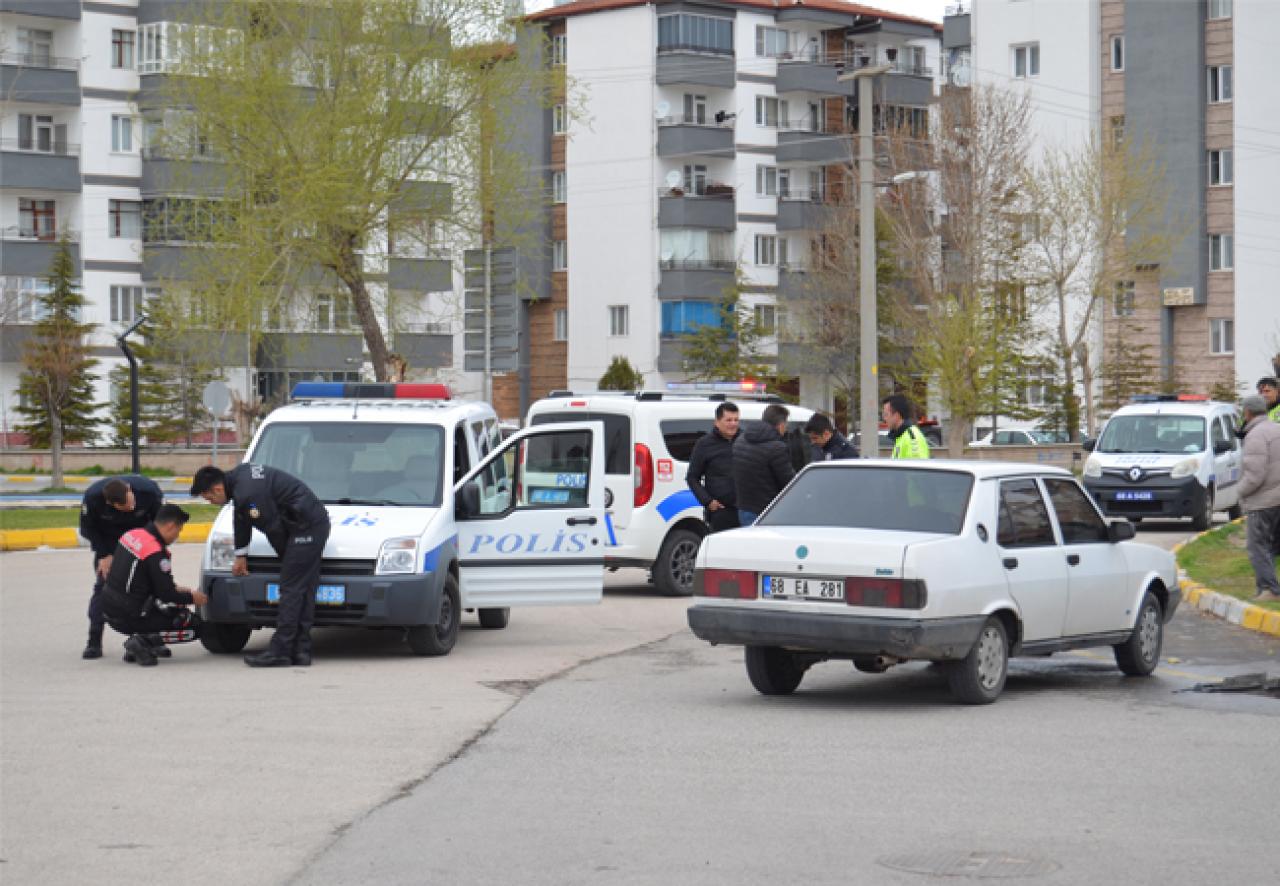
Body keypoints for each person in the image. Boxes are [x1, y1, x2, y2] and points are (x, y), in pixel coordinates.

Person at [190, 463, 331, 667]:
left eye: (209, 498)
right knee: (304, 588)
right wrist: (241, 555)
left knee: (291, 588)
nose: (212, 503)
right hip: (303, 522)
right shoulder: (238, 481)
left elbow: (274, 530)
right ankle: (300, 650)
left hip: (307, 526)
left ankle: (281, 651)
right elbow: (241, 518)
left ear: (218, 489)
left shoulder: (248, 493)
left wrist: (288, 559)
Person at [101, 504, 208, 666]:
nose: (177, 536)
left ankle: (139, 643)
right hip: (127, 614)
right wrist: (193, 597)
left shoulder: (132, 535)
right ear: (170, 526)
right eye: (178, 531)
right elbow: (167, 595)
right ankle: (143, 642)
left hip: (108, 607)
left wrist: (175, 588)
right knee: (189, 623)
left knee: (162, 605)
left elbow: (139, 578)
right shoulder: (156, 553)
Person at [78, 474, 164, 659]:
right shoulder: (93, 498)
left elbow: (160, 523)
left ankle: (149, 639)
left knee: (148, 590)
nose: (131, 508)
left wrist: (154, 551)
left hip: (141, 540)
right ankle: (94, 640)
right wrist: (103, 555)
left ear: (130, 490)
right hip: (109, 544)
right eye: (125, 507)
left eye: (131, 503)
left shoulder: (148, 491)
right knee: (104, 590)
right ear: (110, 503)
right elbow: (88, 529)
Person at [1236, 395, 1280, 602]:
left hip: (1263, 501)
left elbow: (1255, 475)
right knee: (1271, 547)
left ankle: (1269, 589)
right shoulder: (1276, 429)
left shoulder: (1255, 435)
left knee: (1257, 546)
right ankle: (1267, 588)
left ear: (1248, 412)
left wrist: (1239, 491)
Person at [733, 403, 796, 526]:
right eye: (786, 425)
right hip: (768, 510)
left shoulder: (741, 440)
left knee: (750, 543)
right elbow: (789, 481)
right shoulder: (777, 448)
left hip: (744, 507)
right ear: (781, 425)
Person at [686, 401, 741, 533]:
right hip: (721, 512)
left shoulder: (746, 440)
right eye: (728, 420)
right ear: (717, 422)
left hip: (746, 511)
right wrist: (708, 502)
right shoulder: (704, 444)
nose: (733, 424)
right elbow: (692, 477)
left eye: (736, 420)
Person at [882, 394, 931, 459]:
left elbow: (916, 468)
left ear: (897, 415)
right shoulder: (901, 436)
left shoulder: (912, 438)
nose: (884, 419)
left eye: (886, 414)